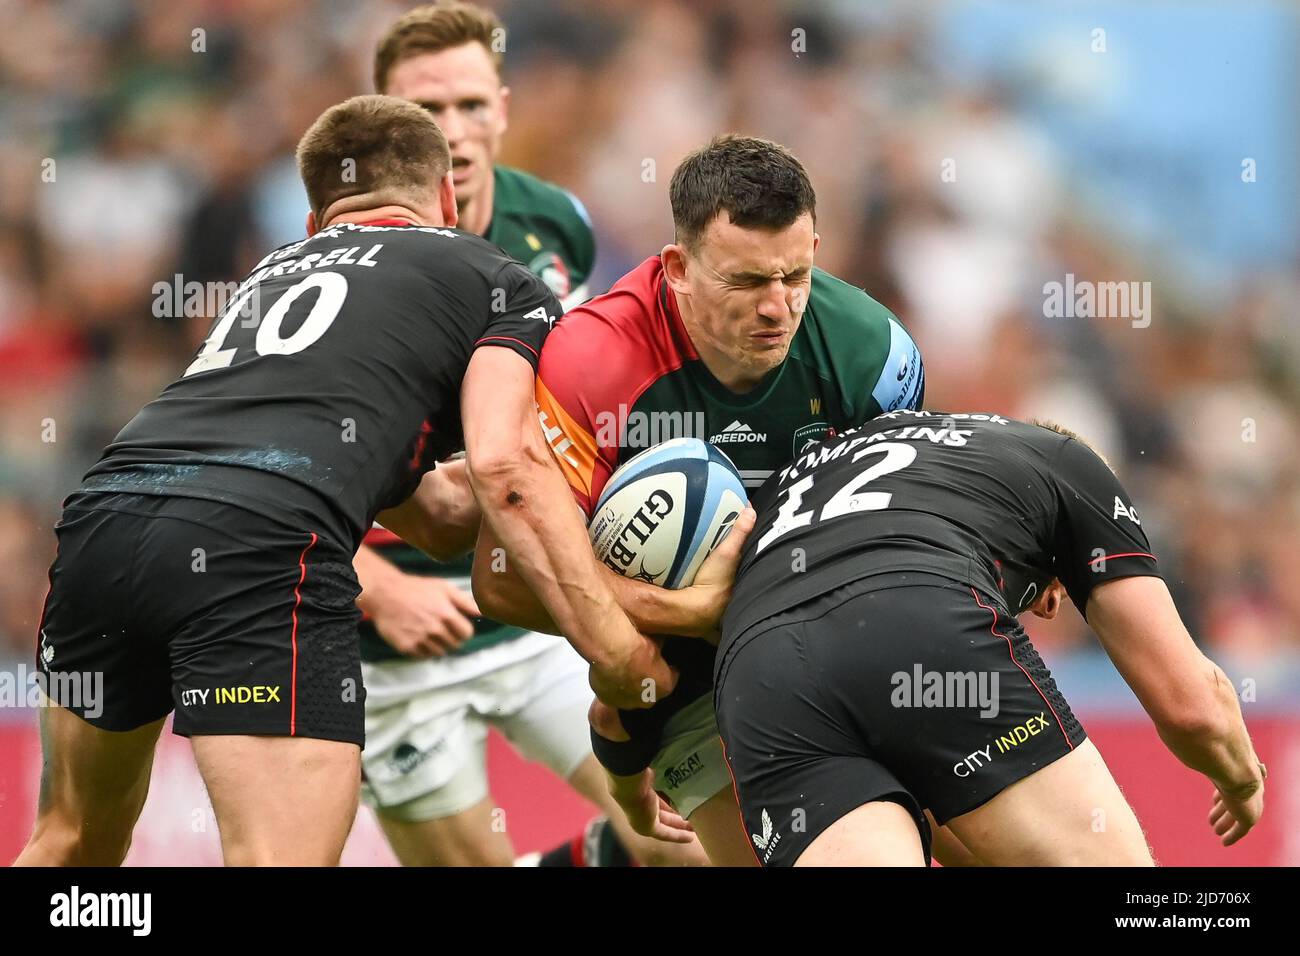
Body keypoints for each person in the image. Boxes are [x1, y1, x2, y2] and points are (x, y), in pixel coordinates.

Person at [14, 94, 665, 867]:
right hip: (258, 551)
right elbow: (502, 467)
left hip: (104, 520)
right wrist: (620, 650)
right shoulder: (494, 276)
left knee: (70, 844)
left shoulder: (271, 274)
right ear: (446, 198)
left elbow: (438, 516)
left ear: (317, 217)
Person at [471, 135, 925, 865]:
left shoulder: (873, 355)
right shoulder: (590, 366)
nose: (779, 307)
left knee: (981, 837)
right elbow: (502, 580)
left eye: (797, 274)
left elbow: (907, 530)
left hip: (832, 634)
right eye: (746, 282)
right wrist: (686, 614)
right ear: (678, 269)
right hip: (683, 675)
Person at [354, 2, 704, 867]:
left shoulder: (554, 224)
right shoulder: (336, 264)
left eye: (473, 105)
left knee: (688, 846)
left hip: (535, 607)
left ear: (503, 108)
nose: (456, 133)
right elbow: (255, 463)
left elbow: (593, 399)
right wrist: (375, 588)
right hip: (394, 647)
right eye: (427, 112)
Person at [714, 411, 1266, 865]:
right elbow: (1194, 706)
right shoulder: (1065, 461)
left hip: (756, 675)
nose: (1050, 606)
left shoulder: (856, 458)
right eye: (1057, 589)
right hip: (920, 612)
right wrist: (1240, 780)